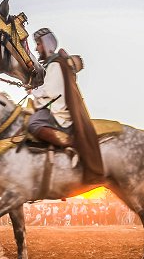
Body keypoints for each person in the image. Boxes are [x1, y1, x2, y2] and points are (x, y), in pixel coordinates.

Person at [27, 28, 104, 182]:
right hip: (55, 105)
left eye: (38, 44)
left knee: (33, 123)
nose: (36, 48)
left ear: (46, 44)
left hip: (60, 110)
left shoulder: (56, 65)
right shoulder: (54, 64)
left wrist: (33, 91)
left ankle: (71, 145)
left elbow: (50, 91)